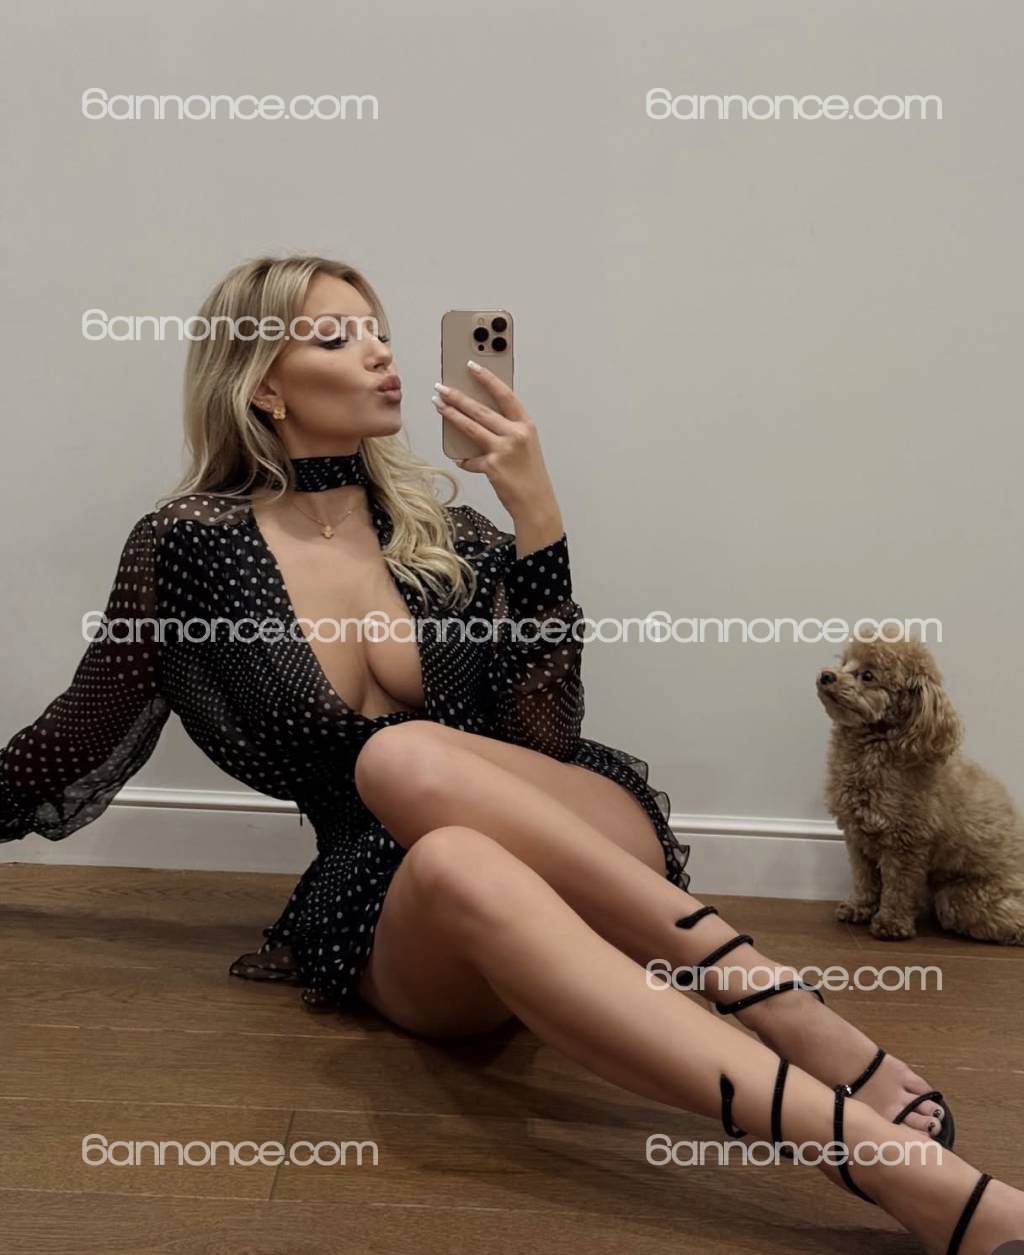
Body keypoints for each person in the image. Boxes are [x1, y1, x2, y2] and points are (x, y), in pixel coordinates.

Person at [1, 254, 1020, 1253]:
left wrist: (537, 517)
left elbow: (544, 741)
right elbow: (82, 725)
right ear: (262, 383)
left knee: (405, 757)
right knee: (437, 833)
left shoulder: (450, 530)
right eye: (336, 337)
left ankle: (788, 1011)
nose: (380, 355)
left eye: (379, 333)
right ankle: (890, 1165)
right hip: (400, 893)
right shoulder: (191, 546)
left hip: (575, 831)